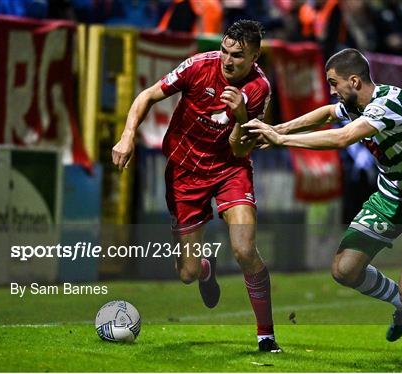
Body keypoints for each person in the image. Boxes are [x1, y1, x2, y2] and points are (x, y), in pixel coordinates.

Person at [244, 48, 402, 362]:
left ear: (354, 81)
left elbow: (343, 138)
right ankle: (399, 303)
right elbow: (327, 115)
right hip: (393, 197)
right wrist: (278, 128)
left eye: (334, 83)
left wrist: (281, 141)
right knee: (344, 270)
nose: (331, 91)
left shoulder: (389, 103)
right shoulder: (356, 105)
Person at [111, 19, 281, 353]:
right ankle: (206, 269)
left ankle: (266, 335)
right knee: (187, 272)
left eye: (238, 56)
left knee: (245, 249)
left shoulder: (260, 88)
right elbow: (147, 95)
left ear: (255, 57)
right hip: (184, 170)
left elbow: (241, 149)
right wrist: (127, 135)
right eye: (225, 51)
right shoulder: (199, 66)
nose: (228, 61)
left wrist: (242, 116)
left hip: (230, 168)